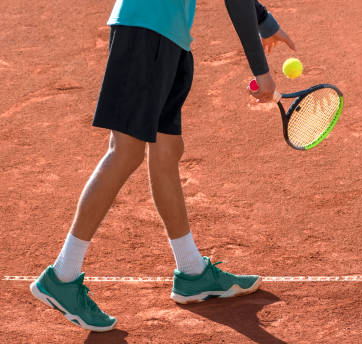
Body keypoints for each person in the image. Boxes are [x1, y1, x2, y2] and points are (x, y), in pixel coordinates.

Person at [29, 0, 295, 332]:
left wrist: (263, 20)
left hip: (167, 36)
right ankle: (62, 276)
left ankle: (192, 272)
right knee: (125, 151)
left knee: (167, 149)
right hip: (147, 30)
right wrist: (261, 70)